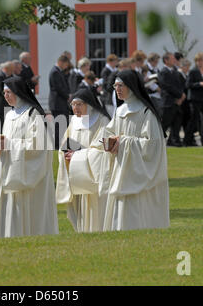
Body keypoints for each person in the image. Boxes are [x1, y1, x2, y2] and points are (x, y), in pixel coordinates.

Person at [97, 69, 169, 231]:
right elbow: (109, 132)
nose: (117, 89)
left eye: (121, 86)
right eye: (115, 86)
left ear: (132, 86)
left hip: (137, 173)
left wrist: (123, 142)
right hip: (121, 168)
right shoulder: (121, 111)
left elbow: (151, 146)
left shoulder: (146, 112)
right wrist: (107, 142)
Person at [0, 76, 58, 238]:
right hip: (10, 168)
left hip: (27, 171)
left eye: (9, 92)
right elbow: (7, 141)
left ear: (19, 92)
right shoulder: (9, 115)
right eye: (4, 92)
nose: (6, 96)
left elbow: (37, 146)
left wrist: (8, 144)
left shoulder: (33, 113)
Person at [56, 86, 111, 232]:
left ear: (89, 104)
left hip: (92, 174)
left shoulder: (102, 121)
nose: (75, 108)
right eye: (73, 105)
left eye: (79, 104)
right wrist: (66, 154)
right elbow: (64, 143)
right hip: (76, 172)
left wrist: (79, 155)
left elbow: (102, 150)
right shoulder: (74, 121)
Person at [158, 52, 186, 147]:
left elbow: (180, 84)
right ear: (166, 60)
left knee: (176, 122)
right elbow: (166, 86)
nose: (174, 60)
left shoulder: (175, 71)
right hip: (168, 102)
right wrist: (179, 95)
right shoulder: (163, 72)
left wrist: (182, 95)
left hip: (176, 102)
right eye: (172, 58)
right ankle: (157, 142)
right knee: (165, 123)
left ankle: (174, 140)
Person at [184, 53, 203, 147]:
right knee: (194, 120)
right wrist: (199, 84)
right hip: (196, 100)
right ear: (196, 62)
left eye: (202, 60)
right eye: (198, 60)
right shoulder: (193, 71)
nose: (200, 62)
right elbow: (188, 85)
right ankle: (187, 141)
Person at [49, 54, 71, 149]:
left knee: (63, 125)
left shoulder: (58, 71)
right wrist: (68, 96)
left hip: (60, 103)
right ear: (61, 62)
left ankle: (62, 144)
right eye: (66, 64)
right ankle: (57, 146)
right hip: (58, 103)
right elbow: (58, 87)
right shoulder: (55, 72)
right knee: (59, 126)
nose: (66, 67)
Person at [0, 61, 14, 127]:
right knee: (0, 128)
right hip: (1, 107)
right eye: (11, 69)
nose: (12, 71)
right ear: (6, 69)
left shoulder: (7, 77)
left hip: (5, 106)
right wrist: (11, 93)